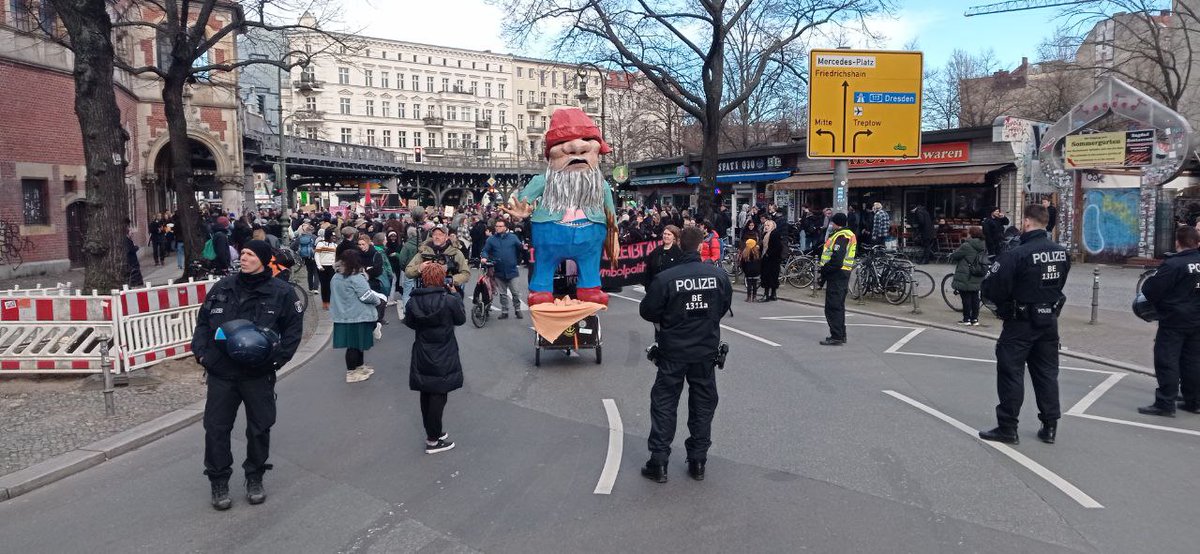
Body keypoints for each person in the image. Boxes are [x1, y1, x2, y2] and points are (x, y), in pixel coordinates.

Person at [191, 240, 303, 511]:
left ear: (263, 260)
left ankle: (255, 476)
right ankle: (218, 481)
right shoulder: (223, 287)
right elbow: (203, 323)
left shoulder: (282, 292)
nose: (243, 258)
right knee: (216, 429)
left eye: (250, 254)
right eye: (242, 253)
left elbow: (292, 332)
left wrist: (275, 362)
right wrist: (203, 354)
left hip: (257, 374)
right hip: (222, 373)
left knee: (259, 427)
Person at [639, 226, 733, 483]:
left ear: (680, 245)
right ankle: (698, 461)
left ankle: (659, 462)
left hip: (673, 351)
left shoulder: (667, 278)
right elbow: (723, 306)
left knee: (664, 403)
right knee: (703, 404)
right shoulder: (719, 276)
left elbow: (648, 311)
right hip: (705, 351)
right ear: (702, 246)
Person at [978, 204, 1070, 445]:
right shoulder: (1061, 252)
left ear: (1027, 222)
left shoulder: (1016, 254)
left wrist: (1005, 305)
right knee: (1047, 374)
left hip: (1020, 323)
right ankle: (1050, 426)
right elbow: (1059, 283)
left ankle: (1008, 427)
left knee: (1011, 373)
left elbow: (992, 288)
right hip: (1049, 321)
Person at [1138, 225, 1200, 416]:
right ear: (1197, 243)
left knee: (1167, 360)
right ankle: (1194, 401)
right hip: (1197, 320)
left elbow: (1150, 290)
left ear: (1177, 243)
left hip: (1174, 321)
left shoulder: (1173, 264)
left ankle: (1166, 403)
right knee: (1193, 361)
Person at [405, 262, 466, 454]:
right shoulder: (449, 300)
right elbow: (461, 319)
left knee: (426, 392)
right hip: (444, 350)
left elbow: (410, 323)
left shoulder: (413, 301)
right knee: (439, 393)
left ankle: (434, 432)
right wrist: (455, 293)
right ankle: (433, 439)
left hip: (423, 349)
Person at [331, 249, 385, 384]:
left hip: (343, 314)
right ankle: (352, 372)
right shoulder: (355, 277)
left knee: (355, 344)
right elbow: (366, 295)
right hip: (358, 315)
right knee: (355, 346)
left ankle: (359, 367)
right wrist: (378, 301)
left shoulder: (336, 276)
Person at [818, 213, 856, 346]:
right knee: (838, 305)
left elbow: (837, 259)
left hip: (837, 274)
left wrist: (825, 269)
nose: (831, 224)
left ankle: (836, 336)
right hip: (842, 273)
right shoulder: (848, 234)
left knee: (833, 306)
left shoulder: (841, 235)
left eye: (832, 222)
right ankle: (840, 334)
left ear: (836, 223)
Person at [480, 218, 525, 319]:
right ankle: (505, 311)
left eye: (500, 226)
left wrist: (524, 248)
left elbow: (520, 248)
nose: (498, 228)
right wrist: (484, 257)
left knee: (515, 292)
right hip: (498, 270)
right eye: (496, 226)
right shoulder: (491, 239)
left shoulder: (513, 237)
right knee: (502, 294)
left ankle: (517, 309)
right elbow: (485, 250)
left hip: (512, 270)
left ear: (505, 227)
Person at [405, 225, 471, 289]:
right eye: (435, 234)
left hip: (448, 293)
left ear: (446, 237)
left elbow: (466, 274)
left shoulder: (455, 252)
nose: (437, 237)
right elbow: (408, 271)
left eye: (440, 234)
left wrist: (447, 280)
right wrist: (420, 268)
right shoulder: (424, 251)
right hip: (426, 292)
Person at [949, 226, 987, 326]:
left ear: (971, 234)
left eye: (968, 232)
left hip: (967, 274)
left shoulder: (967, 245)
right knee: (975, 297)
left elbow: (955, 256)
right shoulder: (983, 245)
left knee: (966, 298)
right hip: (978, 273)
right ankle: (975, 319)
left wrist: (951, 255)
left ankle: (966, 319)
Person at [395, 227, 421, 320]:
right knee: (419, 290)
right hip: (420, 270)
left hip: (409, 270)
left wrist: (404, 268)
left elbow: (402, 259)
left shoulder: (407, 245)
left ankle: (406, 311)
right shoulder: (422, 244)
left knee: (407, 291)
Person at [314, 228, 338, 310]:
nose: (333, 238)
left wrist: (335, 265)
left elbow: (335, 256)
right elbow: (317, 255)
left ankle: (330, 301)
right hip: (323, 267)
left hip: (331, 267)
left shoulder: (335, 245)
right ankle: (325, 302)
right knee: (324, 285)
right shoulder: (320, 244)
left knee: (331, 285)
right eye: (332, 236)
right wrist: (319, 266)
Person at [759, 219, 782, 302]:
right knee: (770, 276)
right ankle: (772, 294)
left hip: (771, 259)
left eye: (768, 225)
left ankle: (769, 295)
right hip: (768, 259)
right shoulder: (765, 234)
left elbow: (778, 247)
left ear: (772, 226)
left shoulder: (774, 234)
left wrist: (768, 253)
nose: (766, 227)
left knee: (769, 276)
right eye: (765, 225)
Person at [740, 238, 762, 302]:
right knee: (755, 285)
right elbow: (760, 262)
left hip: (748, 272)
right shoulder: (757, 253)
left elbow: (742, 264)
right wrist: (759, 270)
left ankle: (749, 297)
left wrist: (745, 271)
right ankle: (754, 297)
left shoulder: (745, 254)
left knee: (749, 285)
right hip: (756, 271)